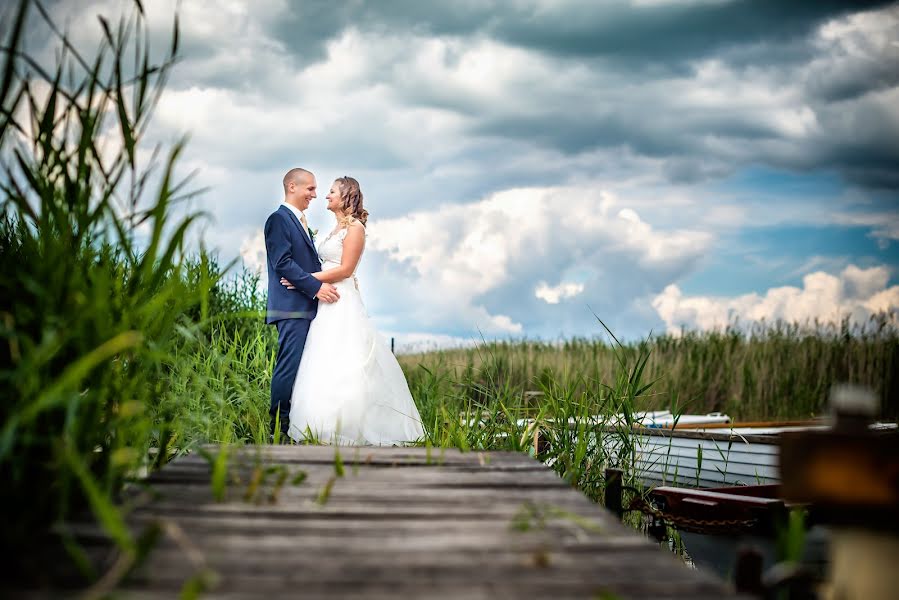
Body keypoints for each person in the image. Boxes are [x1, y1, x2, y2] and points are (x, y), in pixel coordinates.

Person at [280, 176, 425, 445]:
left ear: (346, 195)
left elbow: (346, 269)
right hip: (325, 302)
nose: (326, 195)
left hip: (341, 300)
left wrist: (305, 278)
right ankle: (321, 424)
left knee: (347, 358)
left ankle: (354, 426)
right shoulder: (335, 229)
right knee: (322, 359)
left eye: (332, 191)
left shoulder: (355, 228)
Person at [264, 168, 340, 440]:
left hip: (302, 306)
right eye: (310, 188)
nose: (315, 194)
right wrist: (316, 287)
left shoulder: (299, 221)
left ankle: (297, 423)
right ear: (292, 186)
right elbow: (281, 262)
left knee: (303, 367)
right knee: (289, 365)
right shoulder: (278, 220)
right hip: (290, 307)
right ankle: (278, 427)